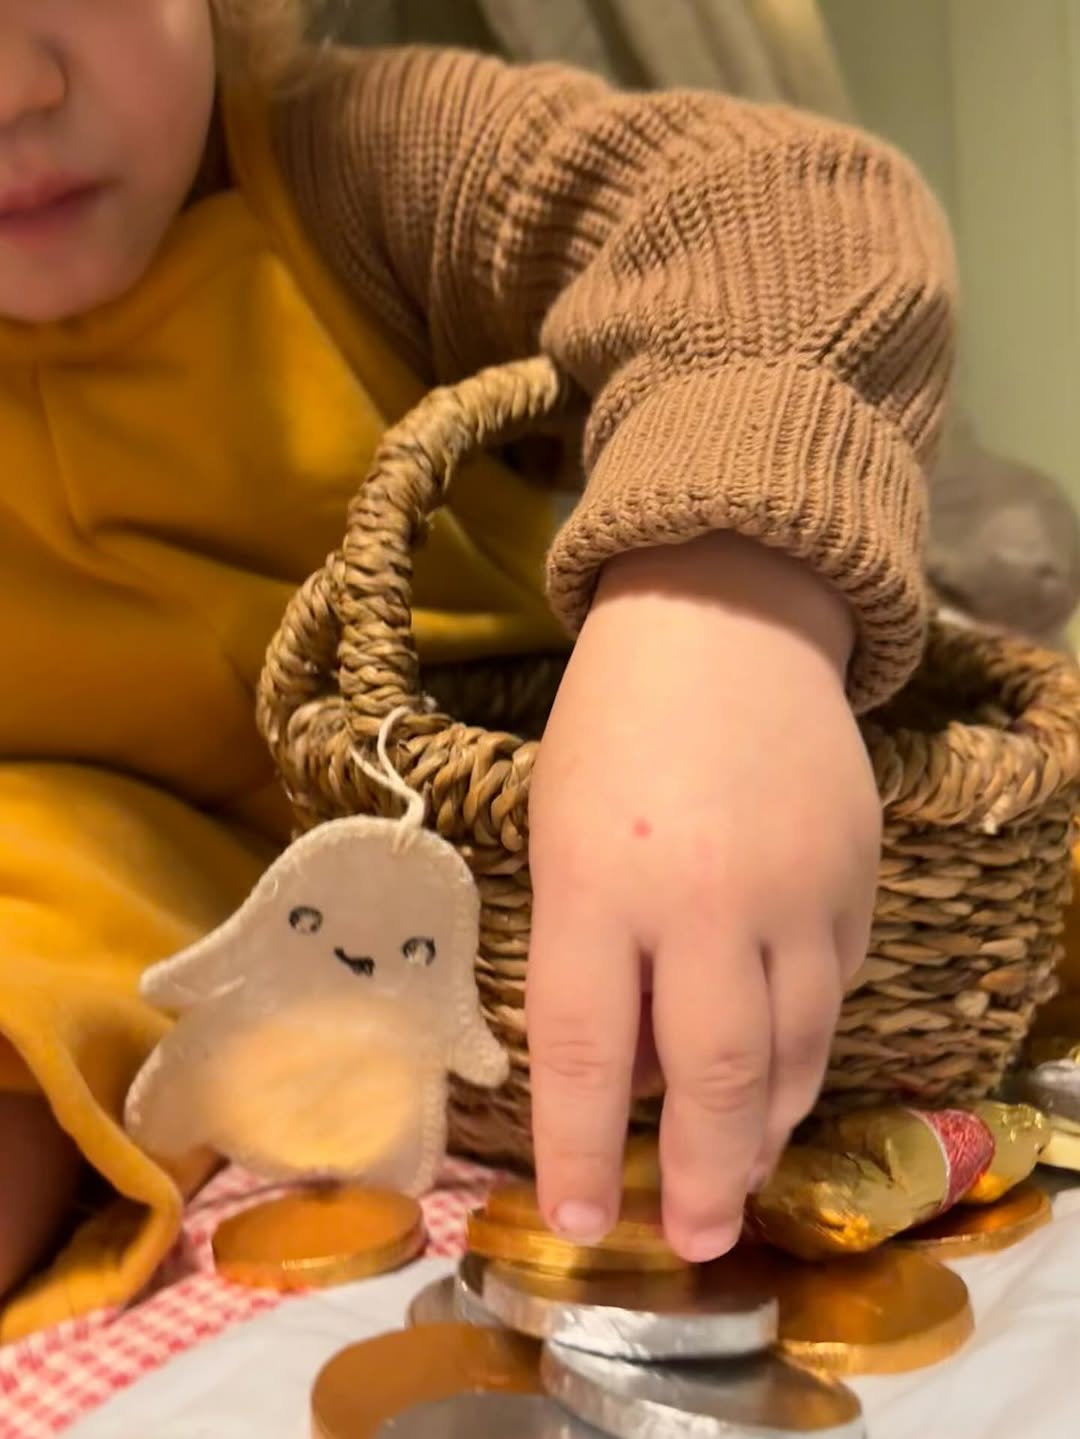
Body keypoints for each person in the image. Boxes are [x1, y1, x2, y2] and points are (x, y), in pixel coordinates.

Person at [0, 0, 953, 1340]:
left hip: (509, 853)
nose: (12, 89)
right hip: (71, 881)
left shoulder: (361, 161)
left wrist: (719, 596)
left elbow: (789, 207)